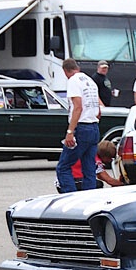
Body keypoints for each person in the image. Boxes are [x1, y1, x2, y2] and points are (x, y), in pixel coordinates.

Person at [56, 58, 102, 193]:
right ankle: (89, 198)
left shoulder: (73, 81)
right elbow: (98, 111)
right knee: (89, 169)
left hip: (81, 128)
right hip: (94, 127)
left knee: (63, 167)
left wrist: (70, 131)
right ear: (77, 67)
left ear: (65, 71)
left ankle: (71, 198)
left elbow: (78, 107)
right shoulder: (90, 81)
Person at [57, 139, 124, 191]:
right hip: (69, 182)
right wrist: (125, 185)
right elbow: (109, 180)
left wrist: (117, 182)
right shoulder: (96, 161)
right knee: (98, 184)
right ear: (105, 156)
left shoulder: (91, 154)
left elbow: (100, 176)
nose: (110, 161)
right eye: (110, 158)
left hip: (61, 182)